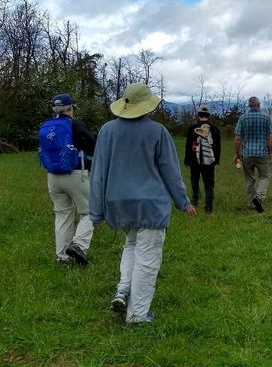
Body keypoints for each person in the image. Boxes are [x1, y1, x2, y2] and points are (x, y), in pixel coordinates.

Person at [89, 82, 196, 324]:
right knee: (148, 256)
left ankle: (123, 289)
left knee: (131, 244)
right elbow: (171, 172)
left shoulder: (106, 131)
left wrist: (95, 213)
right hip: (150, 203)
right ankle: (138, 313)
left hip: (118, 202)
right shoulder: (158, 132)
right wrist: (183, 202)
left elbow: (98, 173)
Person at [39, 93, 95, 266]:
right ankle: (78, 244)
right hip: (76, 174)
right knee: (91, 212)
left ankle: (62, 257)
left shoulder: (47, 127)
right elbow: (93, 148)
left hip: (53, 176)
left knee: (62, 215)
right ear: (71, 108)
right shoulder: (76, 126)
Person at [233, 96, 272, 213]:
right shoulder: (266, 118)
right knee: (265, 176)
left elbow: (237, 139)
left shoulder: (242, 118)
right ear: (259, 105)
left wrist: (237, 154)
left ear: (249, 106)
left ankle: (252, 202)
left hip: (247, 154)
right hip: (262, 153)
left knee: (249, 179)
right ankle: (259, 198)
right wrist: (269, 151)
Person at [184, 104, 221, 213]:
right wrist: (217, 160)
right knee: (209, 184)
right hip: (209, 160)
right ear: (208, 115)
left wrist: (187, 159)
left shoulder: (193, 128)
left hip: (195, 160)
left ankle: (194, 201)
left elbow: (188, 144)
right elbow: (218, 146)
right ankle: (208, 207)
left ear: (199, 114)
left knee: (194, 180)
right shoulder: (214, 129)